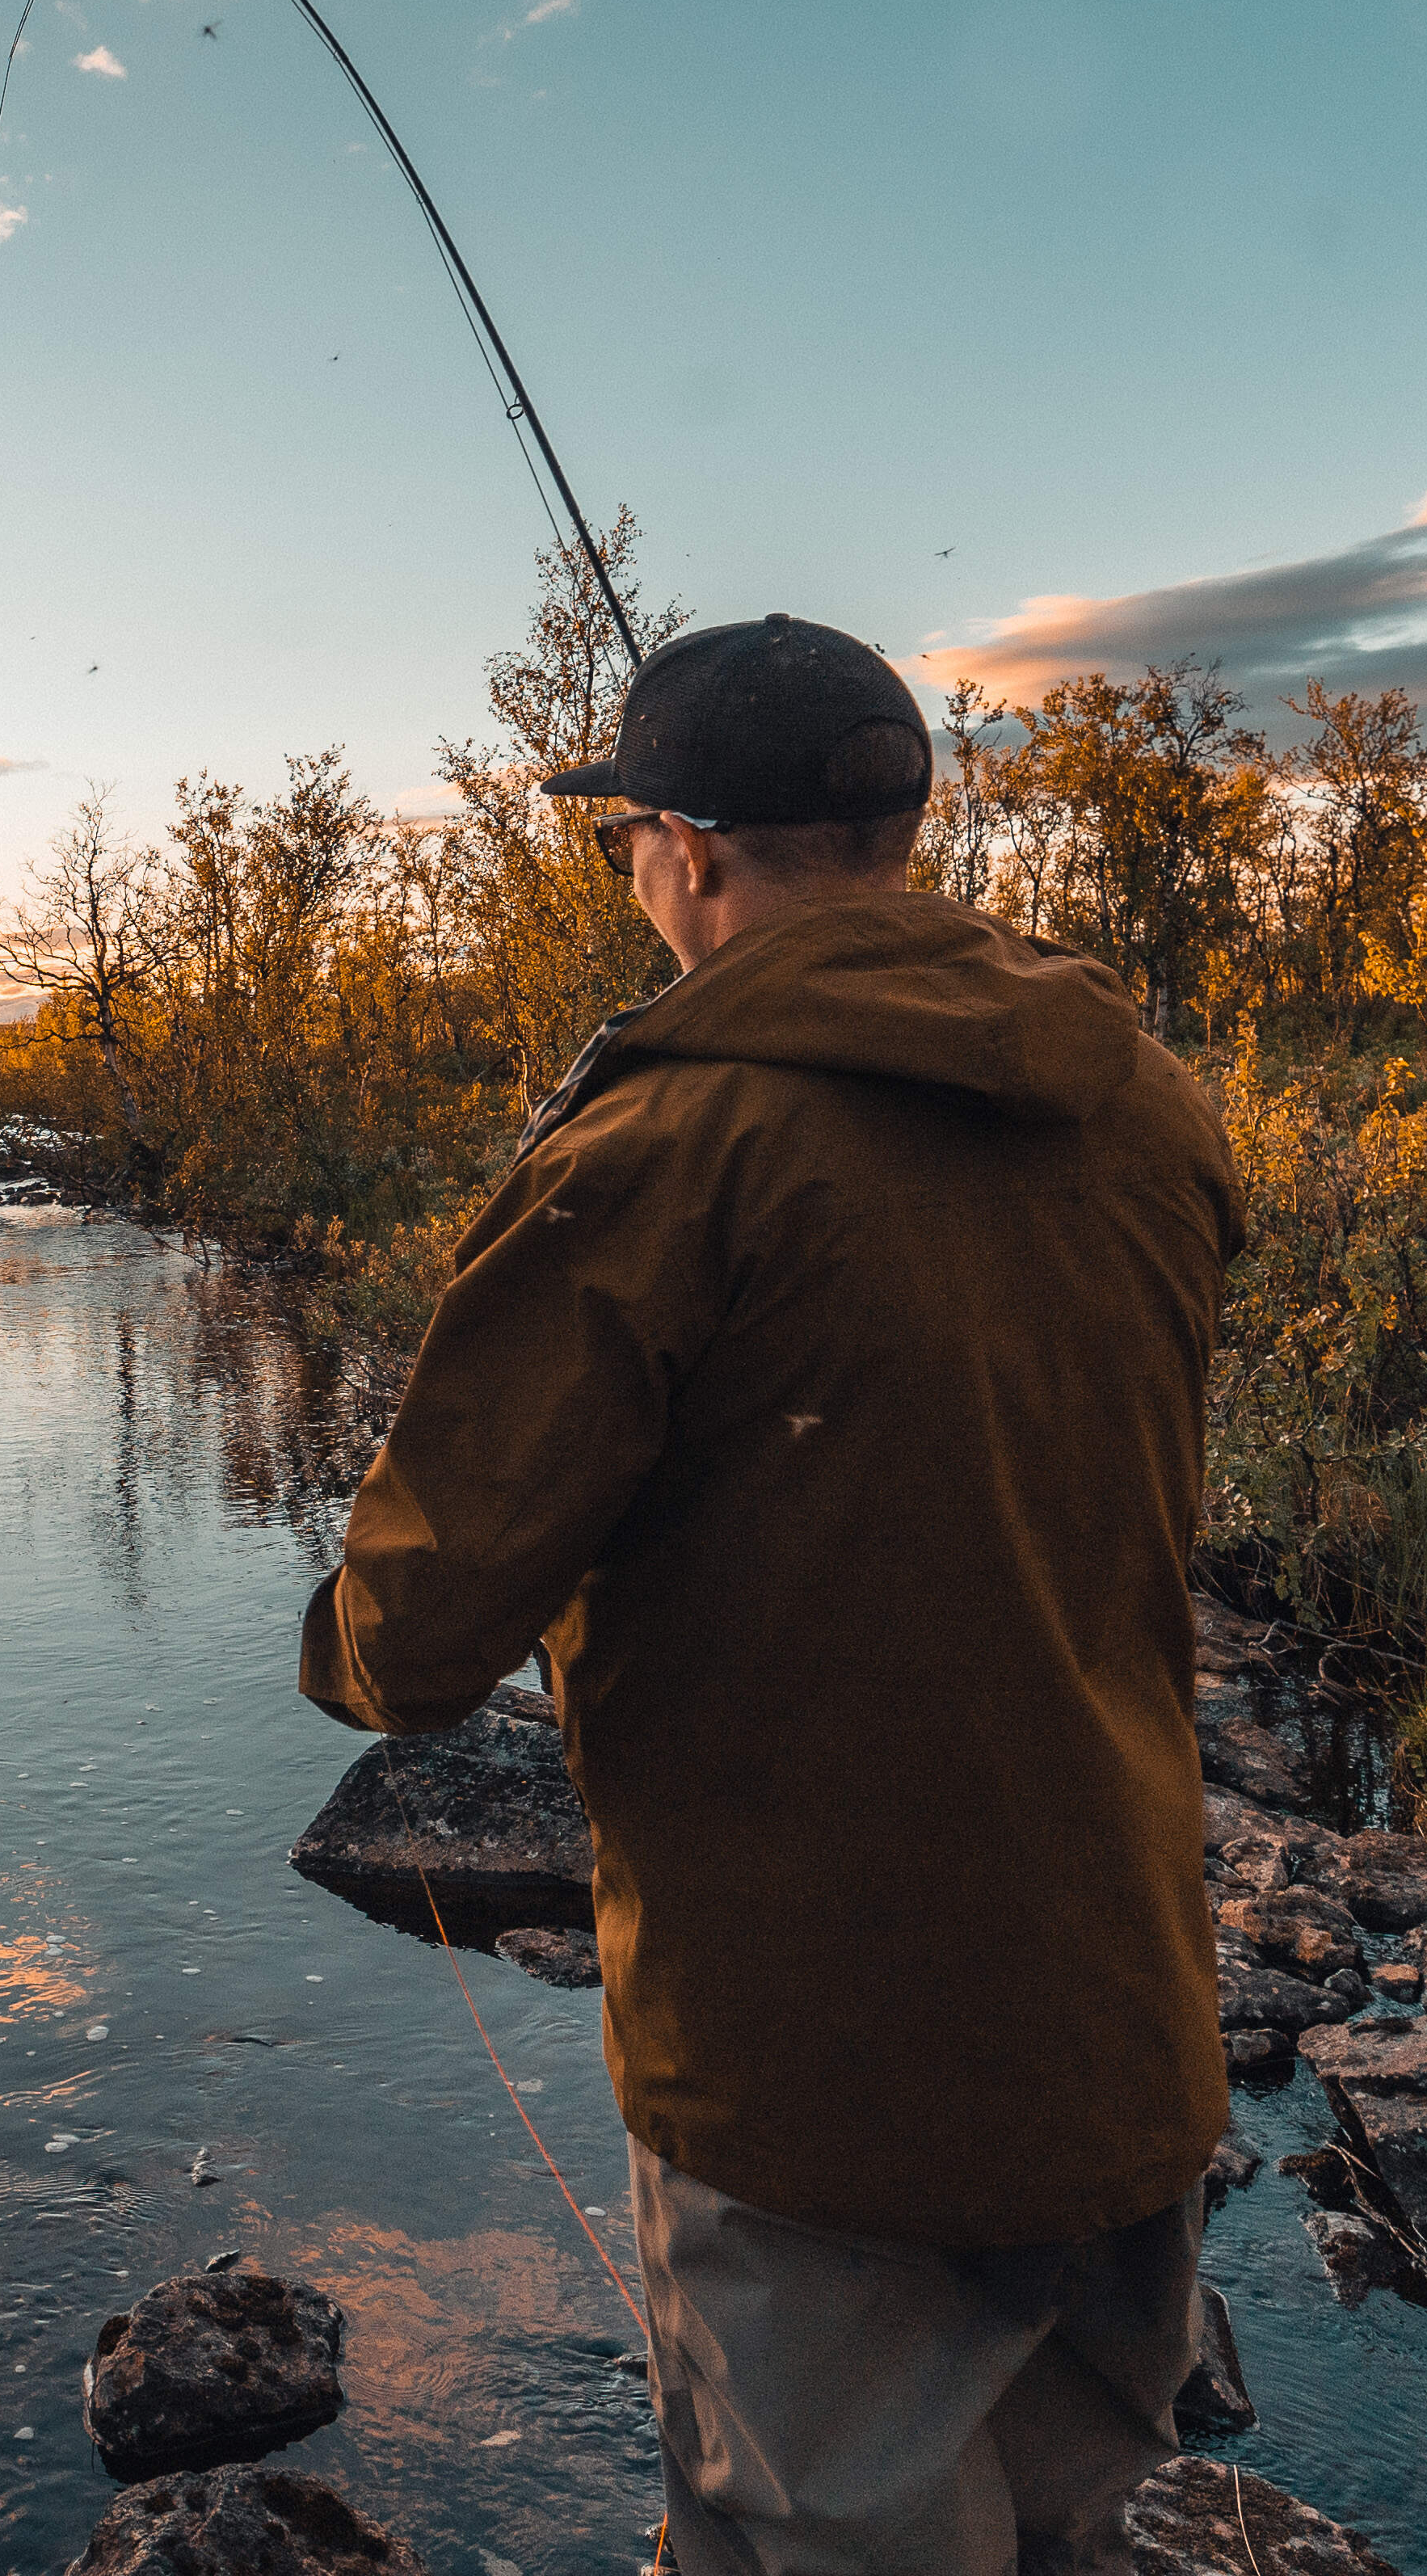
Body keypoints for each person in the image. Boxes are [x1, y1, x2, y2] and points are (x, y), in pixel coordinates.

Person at [297, 612, 1244, 2576]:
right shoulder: (1150, 1103)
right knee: (1081, 2533)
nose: (630, 870)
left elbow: (407, 1638)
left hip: (818, 2068)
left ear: (687, 848)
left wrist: (354, 1614)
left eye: (623, 836)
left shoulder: (665, 1143)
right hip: (1123, 2012)